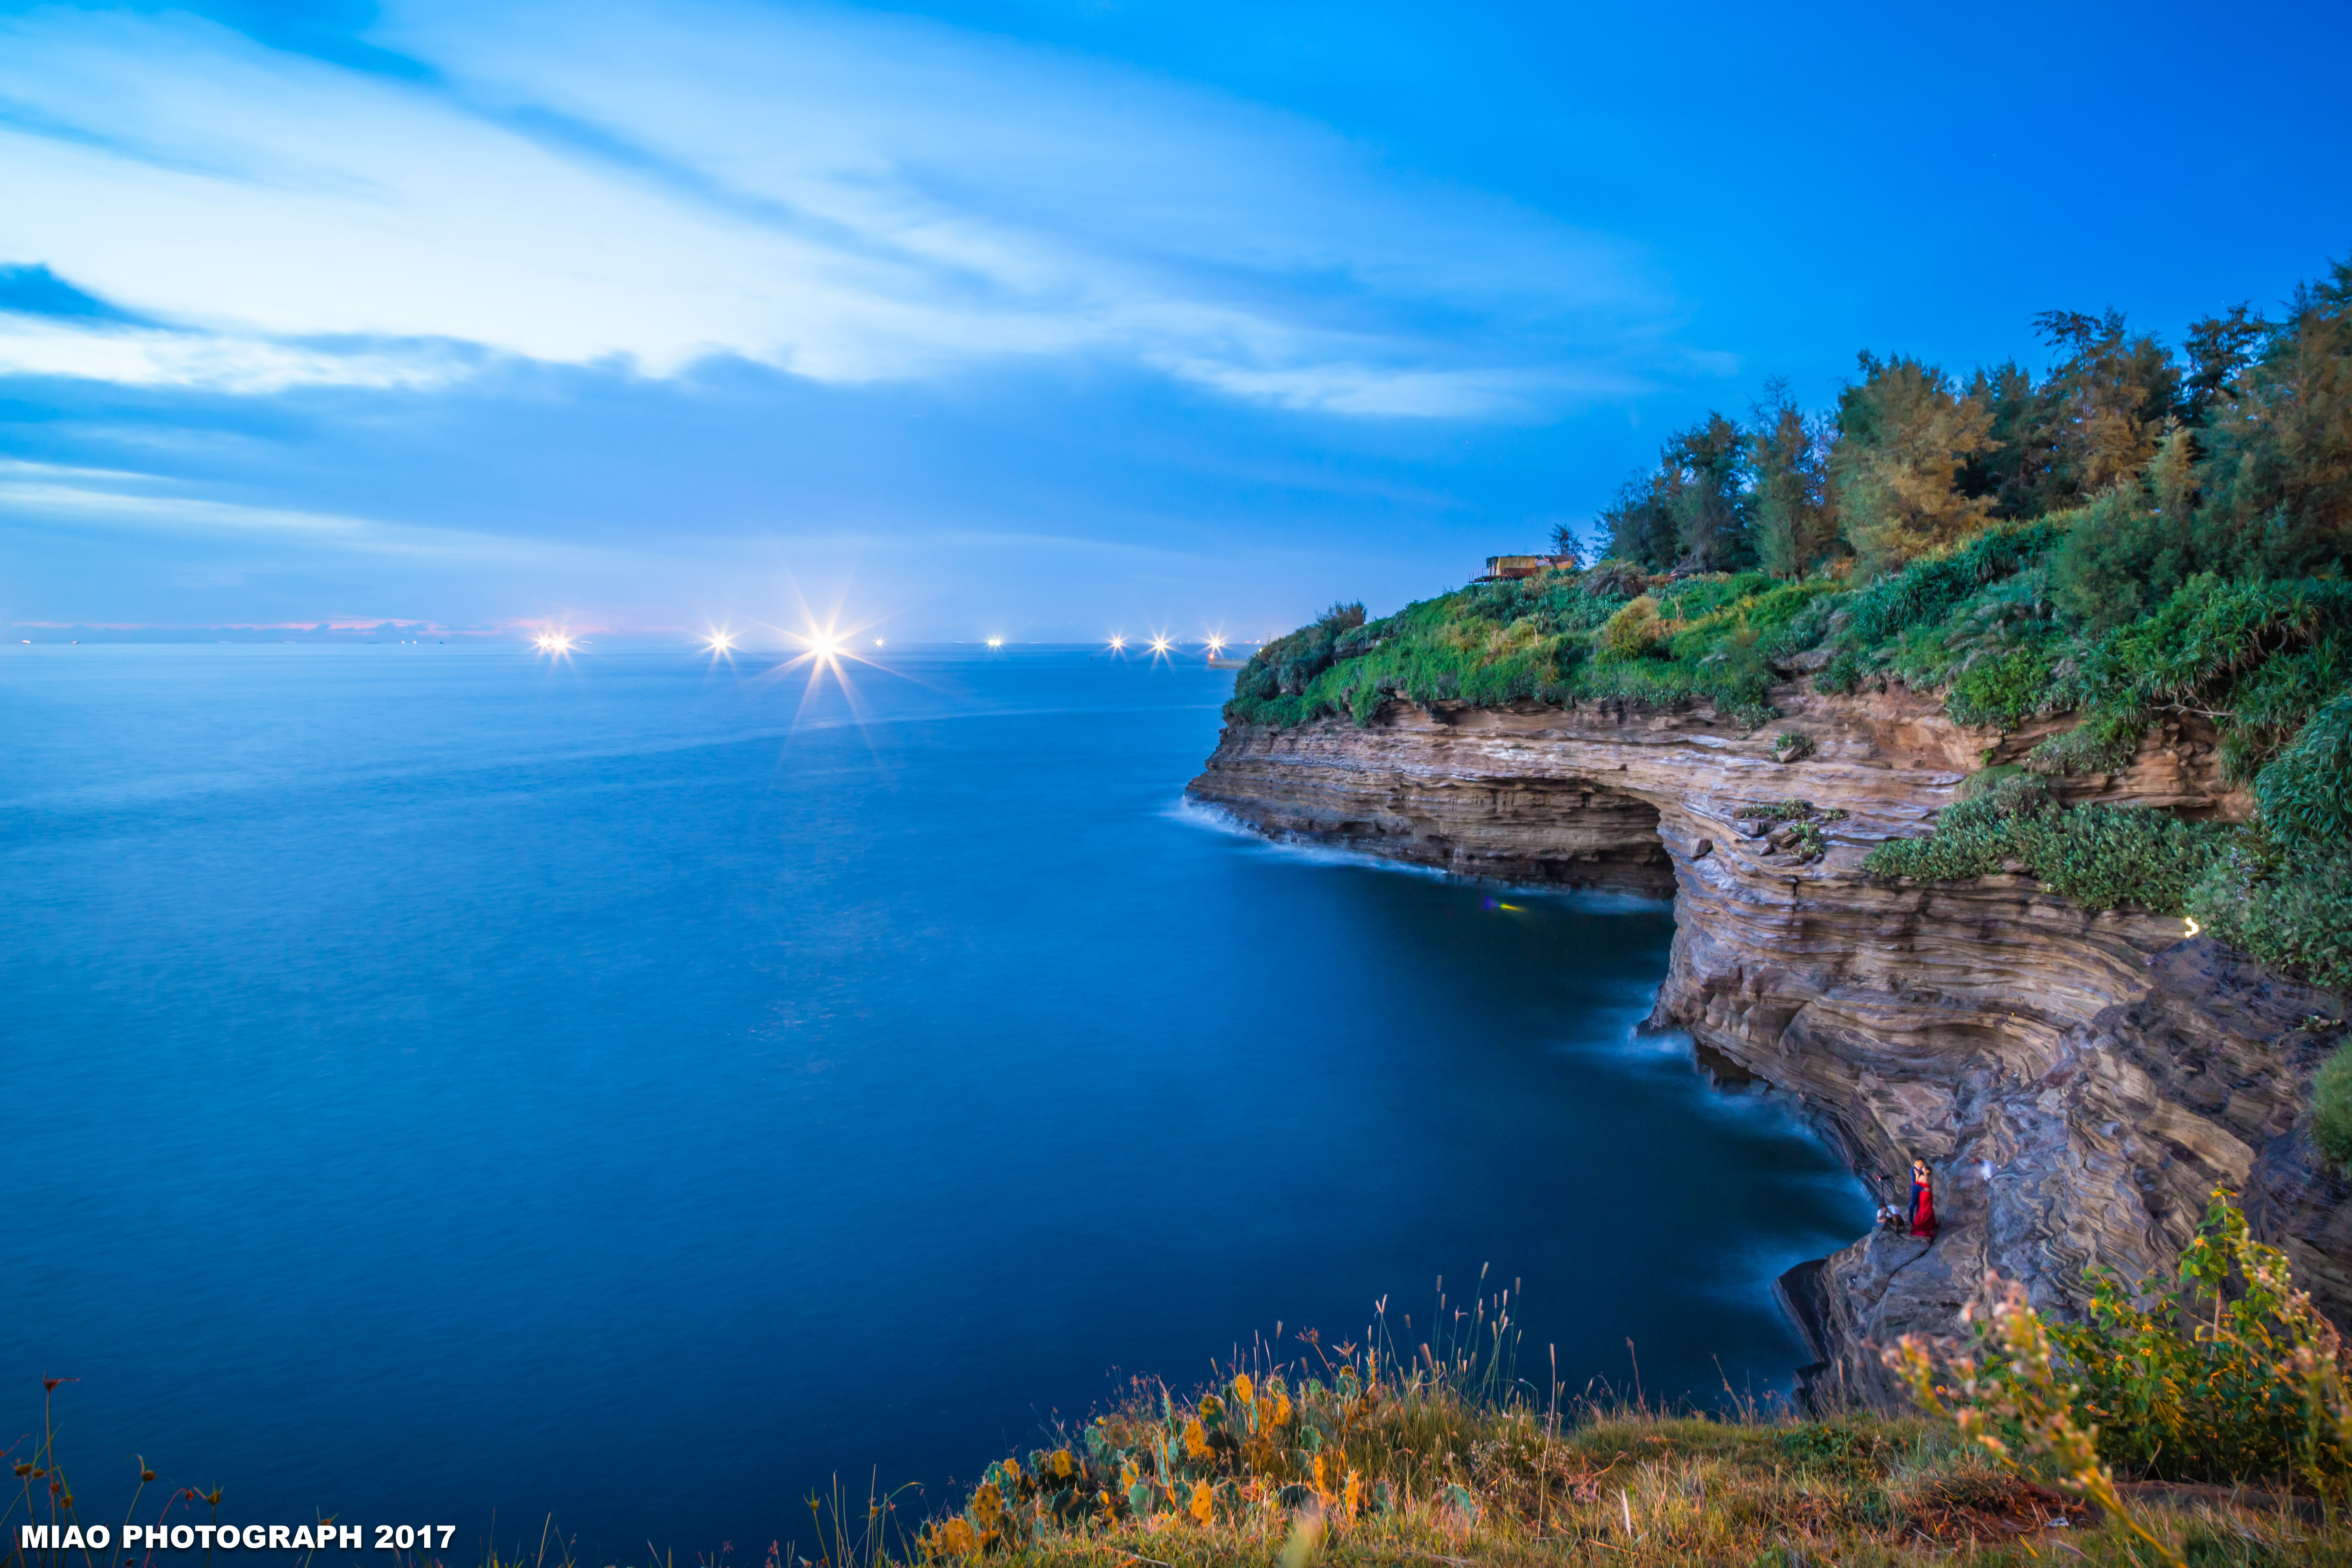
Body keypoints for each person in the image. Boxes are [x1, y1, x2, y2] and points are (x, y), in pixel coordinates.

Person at [1909, 1159, 1938, 1239]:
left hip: (1924, 1195)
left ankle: (1920, 1224)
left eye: (1924, 1168)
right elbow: (1931, 1186)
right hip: (1930, 1195)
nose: (1923, 1168)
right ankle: (1931, 1223)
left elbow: (1917, 1182)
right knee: (1929, 1209)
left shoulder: (1922, 1177)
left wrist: (1917, 1174)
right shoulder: (1931, 1178)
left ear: (1926, 1171)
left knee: (1923, 1209)